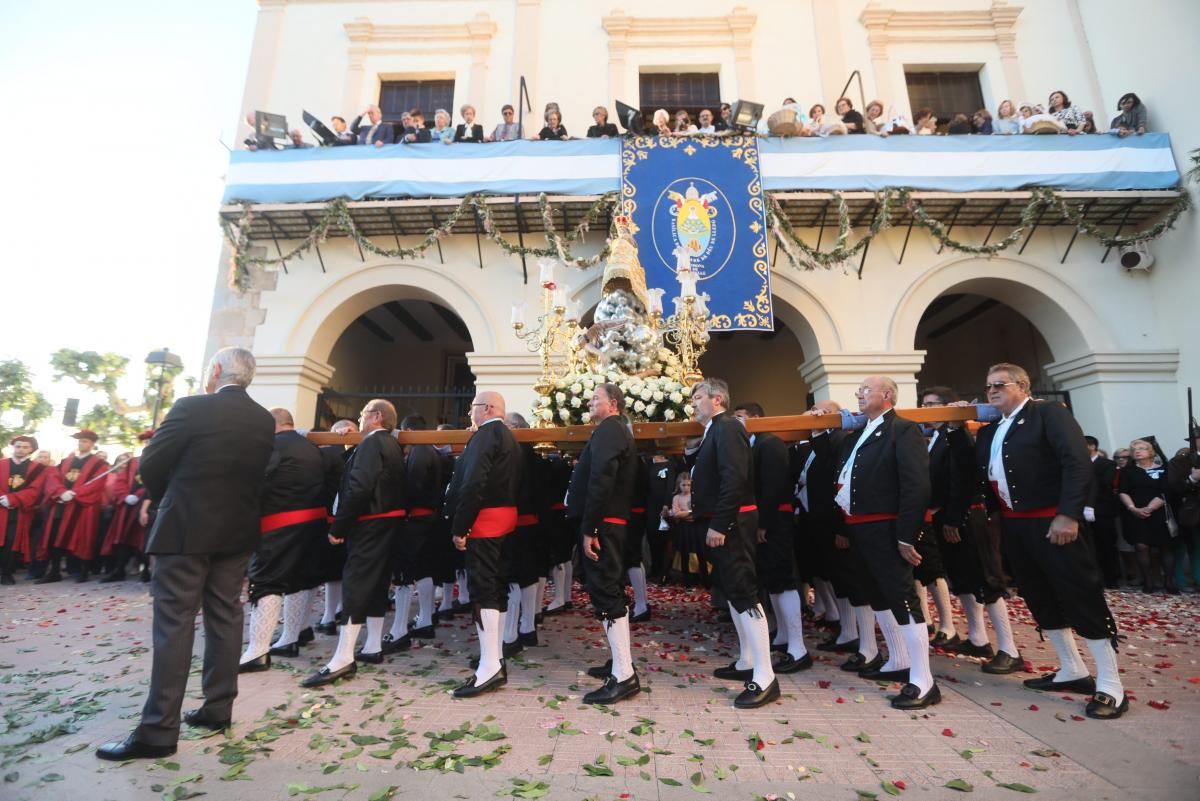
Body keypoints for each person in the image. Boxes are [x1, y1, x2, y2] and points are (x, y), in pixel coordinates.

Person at [96, 347, 275, 761]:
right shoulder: (263, 419)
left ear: (215, 371)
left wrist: (168, 500)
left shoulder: (191, 407)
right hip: (236, 530)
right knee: (226, 617)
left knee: (175, 624)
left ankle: (158, 731)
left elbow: (152, 464)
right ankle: (218, 709)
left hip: (185, 529)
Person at [974, 362, 1127, 719]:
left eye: (1000, 384)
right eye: (988, 387)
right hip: (1015, 525)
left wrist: (1068, 514)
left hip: (1052, 519)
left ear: (1023, 385)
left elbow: (1076, 463)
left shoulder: (1048, 414)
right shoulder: (991, 430)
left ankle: (1110, 684)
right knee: (1039, 595)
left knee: (1079, 593)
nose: (992, 391)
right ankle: (1071, 668)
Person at [836, 376, 936, 710]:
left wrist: (907, 535)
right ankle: (897, 659)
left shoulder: (903, 430)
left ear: (887, 394)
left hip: (886, 526)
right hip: (860, 528)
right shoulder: (860, 433)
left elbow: (915, 485)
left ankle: (923, 679)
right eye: (859, 390)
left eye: (865, 390)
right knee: (877, 595)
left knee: (901, 596)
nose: (858, 395)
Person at [301, 399, 406, 686]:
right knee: (375, 582)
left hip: (370, 523)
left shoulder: (372, 444)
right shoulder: (391, 445)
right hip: (387, 523)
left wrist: (340, 525)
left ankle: (343, 657)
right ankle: (372, 645)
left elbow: (360, 486)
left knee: (357, 582)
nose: (359, 419)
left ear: (376, 417)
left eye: (362, 414)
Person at [690, 378, 778, 709]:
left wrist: (721, 523)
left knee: (744, 591)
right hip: (725, 521)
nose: (694, 403)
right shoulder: (715, 429)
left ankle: (765, 676)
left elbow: (734, 478)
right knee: (733, 591)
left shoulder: (727, 427)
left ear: (717, 399)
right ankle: (746, 660)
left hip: (733, 523)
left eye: (698, 397)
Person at [920, 388, 1021, 674]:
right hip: (945, 516)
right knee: (963, 580)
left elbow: (963, 478)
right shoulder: (936, 437)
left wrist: (954, 517)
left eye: (934, 405)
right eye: (924, 405)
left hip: (965, 516)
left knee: (987, 580)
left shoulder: (956, 435)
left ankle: (1008, 648)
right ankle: (978, 638)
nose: (928, 410)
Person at [238, 408, 327, 672]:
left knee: (266, 582)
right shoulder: (312, 447)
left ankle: (258, 650)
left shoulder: (273, 446)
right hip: (312, 522)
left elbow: (256, 482)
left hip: (279, 523)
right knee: (300, 579)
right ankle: (291, 637)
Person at [445, 391, 521, 698]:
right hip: (503, 519)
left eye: (473, 408)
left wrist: (461, 525)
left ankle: (490, 667)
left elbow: (473, 482)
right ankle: (495, 658)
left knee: (483, 589)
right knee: (496, 587)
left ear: (487, 408)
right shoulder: (508, 437)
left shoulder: (485, 435)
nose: (469, 414)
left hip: (484, 521)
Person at [569, 383, 641, 704]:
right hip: (607, 522)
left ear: (613, 404)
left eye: (595, 398)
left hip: (605, 524)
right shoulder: (611, 429)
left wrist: (591, 527)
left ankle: (624, 675)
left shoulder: (610, 430)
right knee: (607, 590)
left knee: (606, 591)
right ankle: (620, 662)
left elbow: (602, 478)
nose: (589, 401)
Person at [733, 402, 811, 673]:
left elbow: (774, 486)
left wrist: (763, 522)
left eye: (740, 417)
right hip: (764, 519)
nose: (736, 421)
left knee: (783, 578)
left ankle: (798, 647)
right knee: (772, 580)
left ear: (756, 419)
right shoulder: (753, 444)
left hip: (775, 519)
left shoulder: (770, 444)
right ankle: (783, 636)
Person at [384, 414, 444, 653]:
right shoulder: (431, 450)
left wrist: (402, 507)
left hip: (416, 520)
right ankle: (426, 619)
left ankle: (399, 630)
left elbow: (414, 484)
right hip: (429, 518)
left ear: (408, 430)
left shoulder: (420, 451)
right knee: (424, 569)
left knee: (405, 574)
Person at [500, 412, 548, 657]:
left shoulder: (514, 455)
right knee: (528, 575)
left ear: (517, 428)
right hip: (532, 522)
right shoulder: (536, 457)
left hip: (517, 522)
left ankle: (510, 635)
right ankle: (527, 628)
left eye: (506, 425)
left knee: (514, 576)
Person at [37, 429, 108, 583]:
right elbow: (53, 478)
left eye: (85, 441)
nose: (82, 443)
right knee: (54, 536)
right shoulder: (65, 461)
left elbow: (96, 485)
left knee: (83, 537)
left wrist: (75, 494)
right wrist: (61, 492)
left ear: (92, 444)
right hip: (62, 504)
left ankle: (82, 571)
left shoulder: (100, 465)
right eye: (80, 440)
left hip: (82, 507)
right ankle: (54, 571)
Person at [312, 418, 356, 636]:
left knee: (332, 571)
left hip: (331, 518)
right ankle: (339, 611)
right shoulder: (361, 453)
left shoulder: (327, 454)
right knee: (346, 568)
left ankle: (330, 615)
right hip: (357, 520)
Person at [1119, 438, 1177, 593]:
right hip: (1136, 514)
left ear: (1150, 452)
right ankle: (1148, 581)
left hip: (1159, 512)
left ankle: (1169, 582)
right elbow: (1123, 491)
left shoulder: (1164, 469)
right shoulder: (1128, 471)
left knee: (1166, 546)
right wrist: (1133, 509)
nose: (1137, 451)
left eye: (1141, 448)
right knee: (1141, 546)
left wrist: (1149, 508)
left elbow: (1165, 492)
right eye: (1135, 449)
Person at [98, 429, 155, 583]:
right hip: (127, 507)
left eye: (151, 440)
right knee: (123, 538)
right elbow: (120, 480)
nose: (148, 443)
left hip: (147, 505)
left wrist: (138, 496)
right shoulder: (132, 462)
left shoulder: (161, 460)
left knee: (142, 539)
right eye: (146, 441)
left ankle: (146, 570)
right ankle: (119, 570)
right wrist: (124, 496)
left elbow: (157, 483)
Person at [0, 435, 54, 584]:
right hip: (0, 509)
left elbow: (35, 490)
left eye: (25, 447)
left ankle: (6, 573)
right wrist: (2, 498)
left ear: (31, 449)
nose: (21, 450)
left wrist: (12, 499)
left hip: (20, 511)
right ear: (13, 447)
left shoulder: (38, 469)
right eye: (18, 446)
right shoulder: (2, 464)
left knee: (11, 541)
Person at [1084, 435, 1121, 588]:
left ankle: (1111, 577)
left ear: (1092, 446)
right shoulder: (1077, 464)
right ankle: (1094, 577)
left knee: (1106, 544)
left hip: (1102, 509)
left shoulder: (1107, 464)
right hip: (1081, 508)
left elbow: (1104, 484)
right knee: (1089, 546)